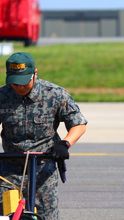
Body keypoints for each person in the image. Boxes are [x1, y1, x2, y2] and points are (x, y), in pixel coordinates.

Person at [0, 52, 87, 219]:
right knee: (6, 215)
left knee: (46, 215)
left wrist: (65, 144)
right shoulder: (2, 96)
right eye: (14, 83)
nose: (19, 87)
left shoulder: (54, 94)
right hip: (9, 170)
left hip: (42, 169)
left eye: (23, 83)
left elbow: (78, 124)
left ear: (35, 74)